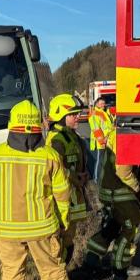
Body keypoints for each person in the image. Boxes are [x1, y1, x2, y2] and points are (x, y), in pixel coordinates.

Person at [0, 100, 79, 280]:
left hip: (6, 230)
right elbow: (63, 194)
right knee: (52, 270)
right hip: (43, 229)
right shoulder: (50, 156)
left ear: (11, 125)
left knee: (12, 272)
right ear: (38, 127)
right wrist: (63, 221)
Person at [84, 127, 140, 277]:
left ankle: (92, 256)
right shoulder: (126, 135)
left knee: (114, 223)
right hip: (120, 191)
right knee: (132, 225)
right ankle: (121, 266)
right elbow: (123, 171)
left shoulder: (117, 131)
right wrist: (135, 186)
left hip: (109, 189)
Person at [46, 94, 89, 264]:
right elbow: (56, 169)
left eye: (77, 113)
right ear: (61, 117)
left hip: (73, 196)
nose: (77, 116)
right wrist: (75, 177)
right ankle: (58, 274)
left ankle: (65, 271)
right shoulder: (56, 140)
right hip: (62, 200)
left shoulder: (70, 135)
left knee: (69, 238)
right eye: (73, 114)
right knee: (61, 241)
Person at [88, 97, 113, 181]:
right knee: (100, 161)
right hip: (100, 142)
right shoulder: (95, 113)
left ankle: (103, 178)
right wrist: (102, 141)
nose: (103, 105)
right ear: (97, 104)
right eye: (101, 103)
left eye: (104, 103)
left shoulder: (103, 112)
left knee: (105, 161)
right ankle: (96, 179)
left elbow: (107, 126)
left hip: (107, 140)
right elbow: (96, 129)